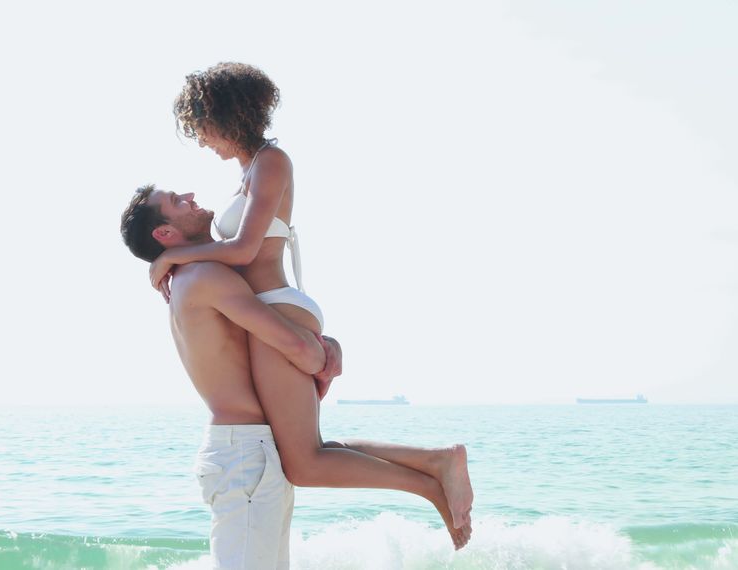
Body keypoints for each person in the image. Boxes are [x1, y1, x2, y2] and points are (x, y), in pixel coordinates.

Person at [152, 62, 474, 531]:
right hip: (276, 309)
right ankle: (437, 462)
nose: (202, 140)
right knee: (309, 450)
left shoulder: (272, 162)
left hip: (279, 304)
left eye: (200, 127)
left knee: (304, 464)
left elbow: (243, 251)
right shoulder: (249, 169)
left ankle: (431, 482)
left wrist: (171, 259)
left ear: (224, 116)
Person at [122, 186, 473, 554]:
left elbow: (268, 339)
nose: (190, 195)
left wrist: (323, 349)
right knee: (310, 460)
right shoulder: (205, 276)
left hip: (252, 452)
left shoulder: (200, 274)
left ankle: (434, 468)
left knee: (313, 453)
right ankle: (431, 480)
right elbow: (297, 347)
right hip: (243, 456)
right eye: (177, 201)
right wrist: (323, 358)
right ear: (164, 233)